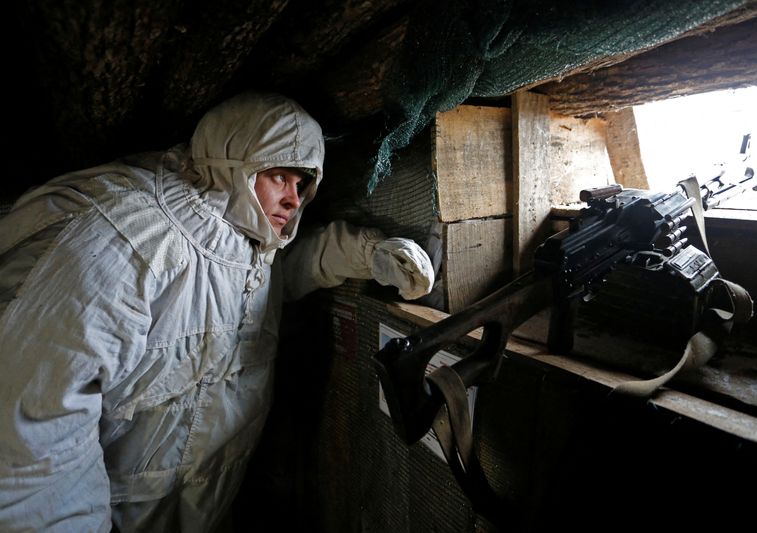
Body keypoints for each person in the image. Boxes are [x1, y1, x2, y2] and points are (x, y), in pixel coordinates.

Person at [0, 92, 434, 532]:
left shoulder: (244, 239)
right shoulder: (132, 240)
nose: (293, 199)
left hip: (197, 506)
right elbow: (35, 432)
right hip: (118, 513)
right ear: (232, 165)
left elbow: (272, 280)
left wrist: (368, 253)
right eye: (279, 175)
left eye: (302, 184)